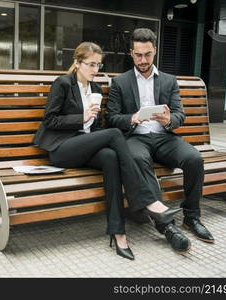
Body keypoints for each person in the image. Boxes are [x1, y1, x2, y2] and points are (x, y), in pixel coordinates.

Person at [33, 42, 181, 260]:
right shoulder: (63, 83)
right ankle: (148, 200)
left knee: (111, 157)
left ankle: (118, 232)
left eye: (98, 65)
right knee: (114, 134)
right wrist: (80, 118)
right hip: (61, 149)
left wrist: (92, 125)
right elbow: (50, 119)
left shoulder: (95, 89)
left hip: (84, 145)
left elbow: (96, 129)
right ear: (77, 63)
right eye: (91, 64)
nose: (95, 70)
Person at [106, 28, 214, 254]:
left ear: (154, 51)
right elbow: (112, 118)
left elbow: (179, 115)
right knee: (137, 159)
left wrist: (168, 120)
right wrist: (132, 118)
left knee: (194, 158)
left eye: (147, 54)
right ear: (131, 53)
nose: (143, 60)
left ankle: (191, 217)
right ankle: (167, 227)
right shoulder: (120, 82)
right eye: (138, 55)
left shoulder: (168, 81)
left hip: (164, 136)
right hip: (136, 138)